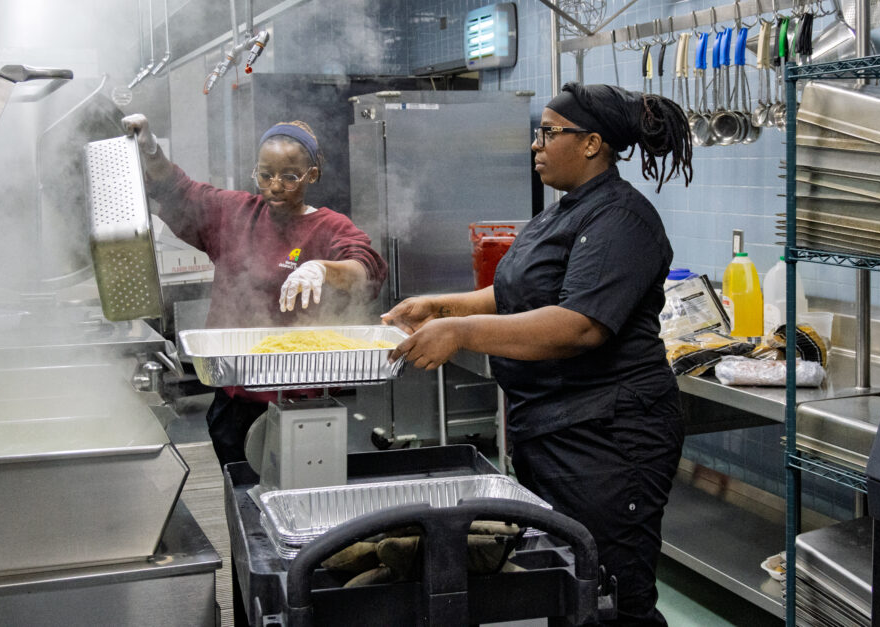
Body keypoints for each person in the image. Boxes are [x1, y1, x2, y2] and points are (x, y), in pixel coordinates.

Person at [381, 82, 692, 626]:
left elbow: (579, 327)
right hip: (553, 428)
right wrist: (442, 307)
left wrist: (461, 334)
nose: (535, 144)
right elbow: (516, 293)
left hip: (610, 440)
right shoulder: (563, 212)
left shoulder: (623, 219)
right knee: (563, 584)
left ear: (592, 143)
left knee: (610, 593)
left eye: (548, 132)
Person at [122, 114, 387, 467]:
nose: (275, 185)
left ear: (312, 175)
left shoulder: (329, 226)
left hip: (303, 401)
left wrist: (321, 268)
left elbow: (365, 266)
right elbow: (178, 190)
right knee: (242, 495)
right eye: (265, 174)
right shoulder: (234, 214)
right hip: (235, 397)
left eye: (290, 176)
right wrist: (151, 151)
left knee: (301, 494)